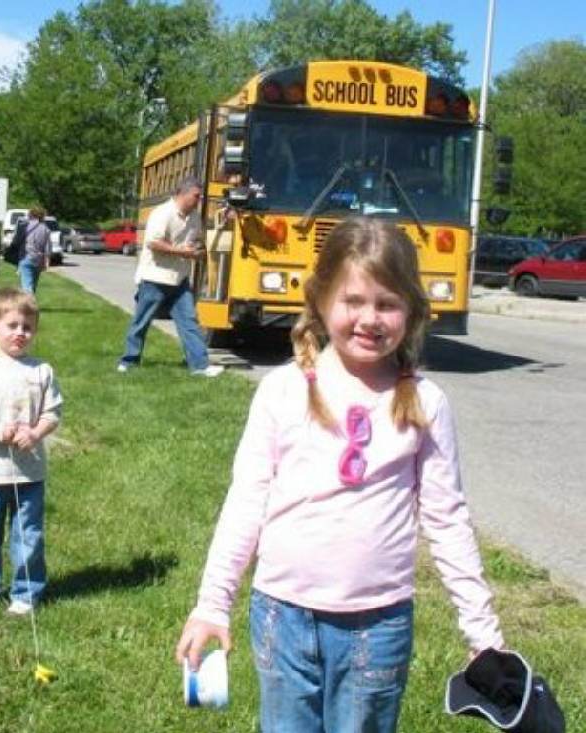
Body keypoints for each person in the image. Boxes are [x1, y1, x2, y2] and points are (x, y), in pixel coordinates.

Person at [176, 217, 505, 732]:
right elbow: (247, 500)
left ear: (413, 311)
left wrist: (483, 636)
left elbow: (447, 520)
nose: (370, 318)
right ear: (321, 299)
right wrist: (213, 604)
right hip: (280, 617)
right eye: (353, 301)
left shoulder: (426, 403)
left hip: (378, 626)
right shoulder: (283, 391)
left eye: (388, 304)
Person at [0, 288, 62, 615]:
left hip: (28, 472)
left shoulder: (41, 371)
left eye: (27, 327)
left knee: (27, 534)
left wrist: (35, 433)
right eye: (12, 325)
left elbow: (52, 412)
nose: (20, 333)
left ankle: (26, 591)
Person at [117, 176, 224, 377]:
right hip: (155, 277)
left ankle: (200, 366)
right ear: (183, 194)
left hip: (179, 279)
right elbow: (153, 243)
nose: (199, 200)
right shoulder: (162, 213)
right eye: (196, 196)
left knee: (189, 322)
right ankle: (128, 361)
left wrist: (198, 250)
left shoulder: (194, 218)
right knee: (142, 321)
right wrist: (183, 252)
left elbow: (199, 241)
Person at [10, 206, 50, 293]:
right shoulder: (46, 229)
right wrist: (46, 262)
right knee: (33, 286)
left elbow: (16, 241)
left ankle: (29, 305)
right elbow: (47, 248)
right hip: (39, 260)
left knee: (27, 287)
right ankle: (31, 304)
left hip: (26, 257)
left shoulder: (25, 226)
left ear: (30, 215)